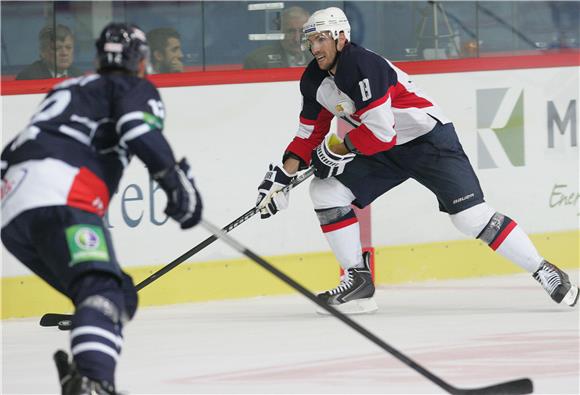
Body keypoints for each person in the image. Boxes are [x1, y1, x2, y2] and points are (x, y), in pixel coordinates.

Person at [255, 7, 579, 314]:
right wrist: (281, 177)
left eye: (320, 38)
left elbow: (382, 133)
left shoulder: (364, 66)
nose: (314, 47)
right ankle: (358, 280)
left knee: (470, 218)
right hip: (385, 149)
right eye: (311, 40)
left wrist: (336, 151)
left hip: (428, 141)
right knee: (325, 192)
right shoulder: (314, 79)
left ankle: (543, 269)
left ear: (341, 38)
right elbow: (308, 135)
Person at [1, 23, 202, 394]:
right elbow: (138, 131)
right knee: (105, 292)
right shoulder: (132, 86)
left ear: (96, 57)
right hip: (63, 199)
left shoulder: (66, 88)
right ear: (141, 61)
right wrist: (176, 185)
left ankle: (85, 375)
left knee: (116, 292)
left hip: (12, 214)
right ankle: (94, 381)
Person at [243, 6, 313, 69]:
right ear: (280, 32)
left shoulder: (316, 57)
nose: (297, 39)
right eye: (290, 31)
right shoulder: (257, 61)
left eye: (302, 31)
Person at [16, 24, 82, 80]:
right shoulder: (29, 77)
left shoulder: (78, 76)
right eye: (57, 48)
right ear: (43, 52)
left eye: (68, 48)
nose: (64, 53)